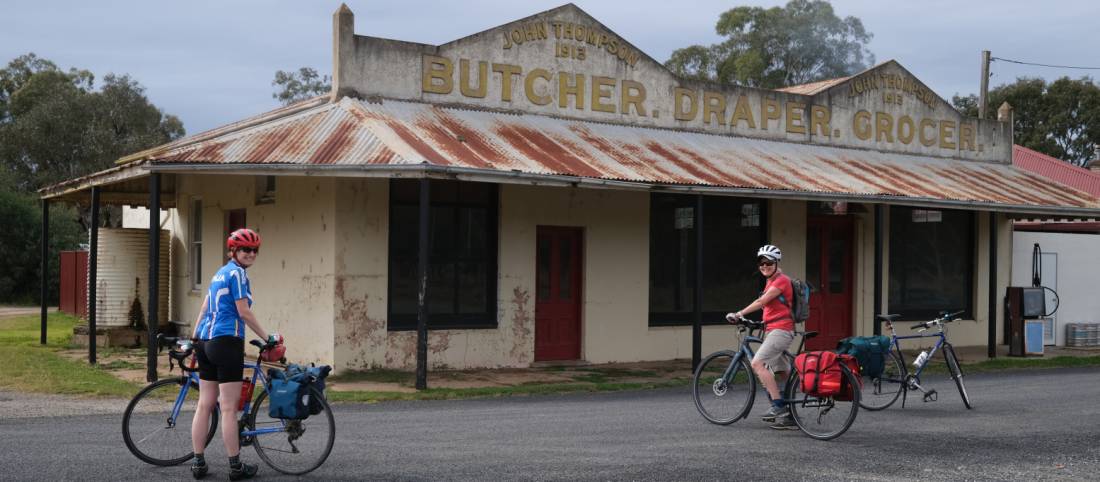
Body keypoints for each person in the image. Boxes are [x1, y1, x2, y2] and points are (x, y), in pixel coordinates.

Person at [189, 228, 280, 480]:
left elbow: (205, 306)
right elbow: (244, 312)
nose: (250, 254)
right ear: (233, 251)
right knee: (228, 408)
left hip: (205, 342)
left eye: (254, 250)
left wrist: (195, 337)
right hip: (226, 341)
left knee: (205, 404)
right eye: (245, 249)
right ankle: (236, 467)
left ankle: (198, 463)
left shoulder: (219, 273)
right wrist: (267, 337)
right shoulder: (238, 274)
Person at [726, 244, 797, 430]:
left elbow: (762, 302)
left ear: (776, 263)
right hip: (775, 329)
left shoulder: (781, 281)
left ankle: (779, 408)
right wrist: (759, 323)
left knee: (757, 363)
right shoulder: (772, 280)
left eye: (769, 262)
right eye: (761, 262)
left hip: (781, 331)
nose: (764, 266)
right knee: (782, 371)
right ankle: (789, 415)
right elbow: (773, 308)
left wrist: (739, 313)